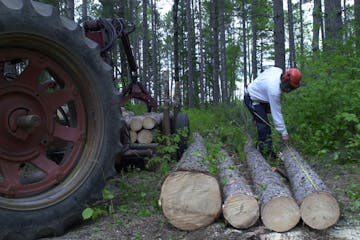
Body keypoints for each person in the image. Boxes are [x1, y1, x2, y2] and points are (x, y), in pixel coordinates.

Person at [244, 66, 302, 159]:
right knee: (264, 125)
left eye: (291, 87)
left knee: (265, 125)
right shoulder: (274, 90)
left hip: (261, 98)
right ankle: (264, 154)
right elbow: (277, 114)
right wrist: (284, 133)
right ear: (284, 79)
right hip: (252, 98)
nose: (288, 89)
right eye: (288, 86)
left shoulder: (277, 70)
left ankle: (268, 150)